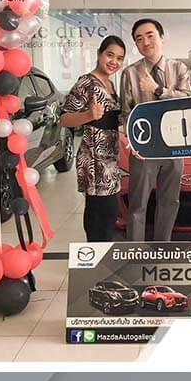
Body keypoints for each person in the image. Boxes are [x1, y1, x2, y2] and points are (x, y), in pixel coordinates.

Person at [118, 18, 191, 242]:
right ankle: (135, 252)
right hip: (144, 149)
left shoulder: (178, 68)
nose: (146, 42)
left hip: (174, 147)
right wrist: (133, 142)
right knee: (137, 203)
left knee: (170, 201)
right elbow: (125, 113)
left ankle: (162, 249)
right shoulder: (129, 73)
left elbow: (188, 102)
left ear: (161, 37)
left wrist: (159, 90)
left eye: (150, 35)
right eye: (139, 39)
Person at [59, 36, 127, 242]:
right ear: (99, 54)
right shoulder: (86, 82)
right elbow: (64, 119)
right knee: (101, 214)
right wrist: (89, 115)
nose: (114, 61)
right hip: (94, 160)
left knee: (108, 214)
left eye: (119, 58)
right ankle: (95, 255)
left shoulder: (110, 84)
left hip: (110, 160)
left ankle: (100, 254)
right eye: (110, 55)